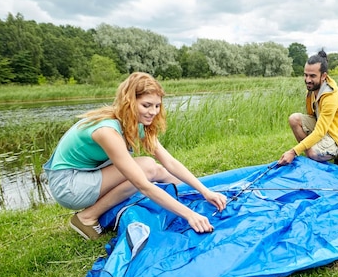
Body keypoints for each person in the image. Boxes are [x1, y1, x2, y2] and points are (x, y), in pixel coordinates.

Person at [43, 72, 226, 240]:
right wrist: (189, 215)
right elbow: (142, 185)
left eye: (157, 106)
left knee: (156, 168)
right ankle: (87, 217)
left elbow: (169, 161)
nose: (153, 112)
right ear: (129, 101)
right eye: (146, 105)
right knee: (147, 168)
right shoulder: (107, 131)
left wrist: (205, 191)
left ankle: (189, 196)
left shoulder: (134, 122)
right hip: (69, 185)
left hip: (88, 174)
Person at [278, 50, 338, 166]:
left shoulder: (330, 97)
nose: (307, 80)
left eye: (312, 76)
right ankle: (313, 156)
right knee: (294, 119)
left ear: (324, 76)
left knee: (312, 153)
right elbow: (313, 118)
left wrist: (293, 151)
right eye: (305, 75)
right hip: (328, 128)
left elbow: (319, 131)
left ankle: (333, 156)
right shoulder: (312, 90)